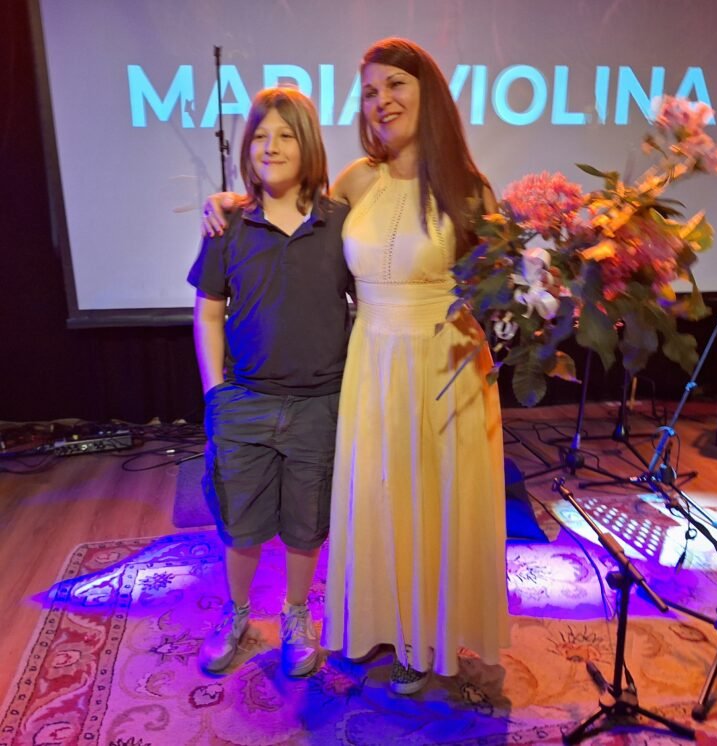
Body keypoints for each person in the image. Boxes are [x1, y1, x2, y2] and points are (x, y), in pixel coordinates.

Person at [202, 37, 508, 695]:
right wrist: (228, 201)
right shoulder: (356, 181)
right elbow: (289, 205)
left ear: (428, 93)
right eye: (370, 92)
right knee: (375, 498)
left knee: (433, 503)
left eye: (395, 85)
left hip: (444, 365)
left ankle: (425, 638)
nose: (382, 101)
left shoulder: (469, 189)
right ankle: (380, 620)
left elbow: (500, 286)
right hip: (368, 362)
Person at [188, 87, 352, 677]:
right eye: (259, 136)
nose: (271, 146)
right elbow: (209, 313)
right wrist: (215, 393)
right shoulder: (228, 224)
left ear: (308, 146)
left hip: (319, 405)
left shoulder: (341, 224)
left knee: (307, 524)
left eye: (285, 135)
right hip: (244, 403)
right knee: (242, 522)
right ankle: (236, 614)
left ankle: (295, 613)